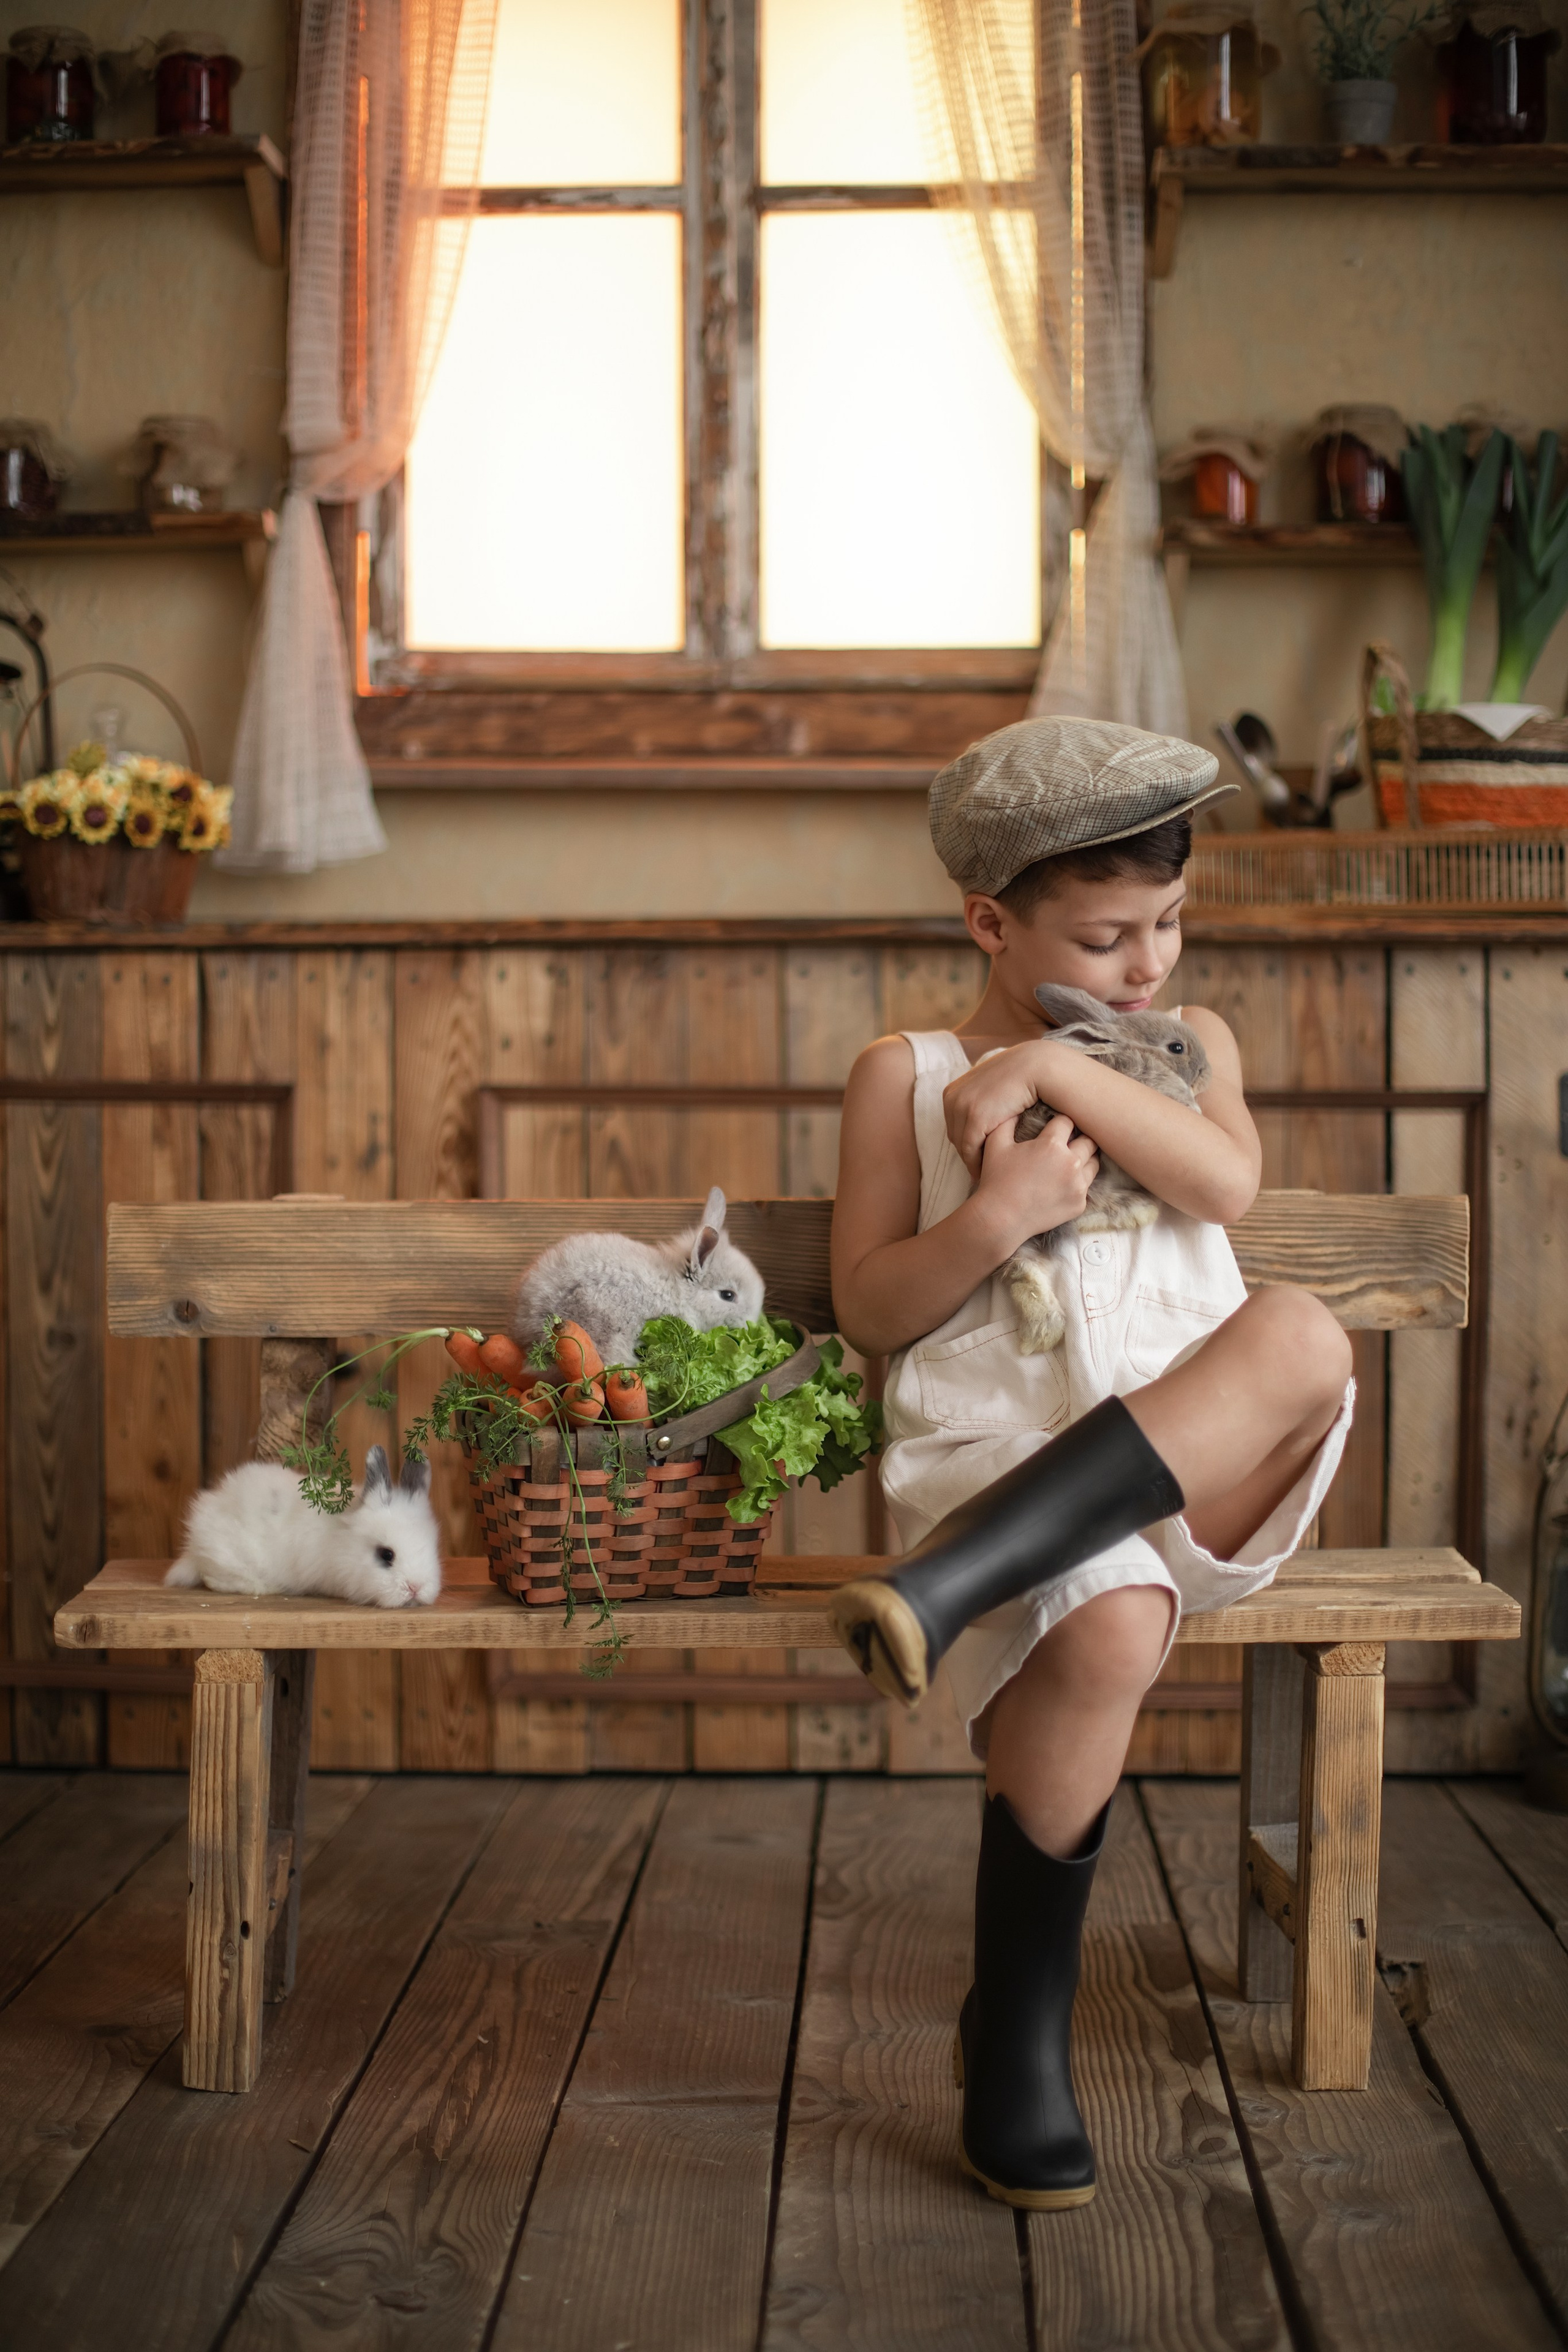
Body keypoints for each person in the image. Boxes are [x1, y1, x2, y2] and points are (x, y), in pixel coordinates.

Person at [827, 717, 1354, 2213]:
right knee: (1111, 1614)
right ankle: (1019, 2045)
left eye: (1170, 926)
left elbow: (1227, 1183)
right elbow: (871, 1308)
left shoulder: (1192, 1056)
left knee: (1303, 1330)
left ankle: (942, 1592)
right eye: (1106, 935)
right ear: (989, 920)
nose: (1148, 966)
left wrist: (1063, 1056)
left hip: (1204, 1465)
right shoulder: (906, 1073)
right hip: (1005, 1456)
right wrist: (995, 1219)